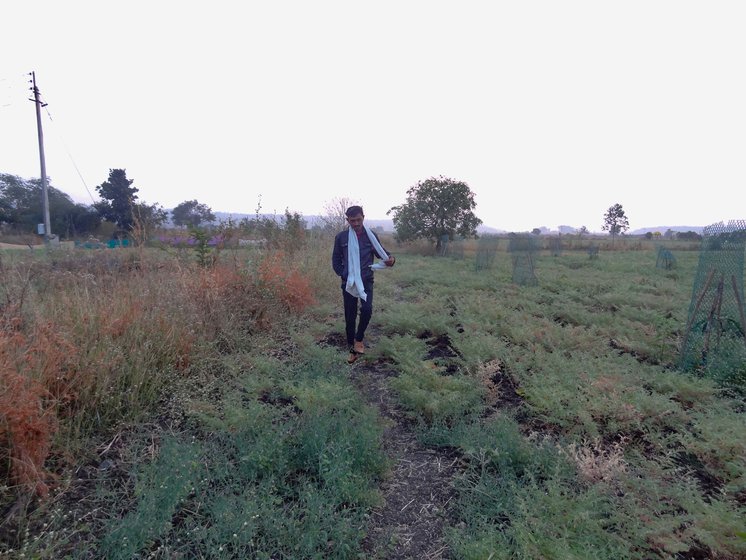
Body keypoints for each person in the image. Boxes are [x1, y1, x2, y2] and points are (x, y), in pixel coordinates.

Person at [332, 205, 396, 363]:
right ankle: (351, 349)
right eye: (352, 221)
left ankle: (359, 339)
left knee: (367, 310)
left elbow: (382, 253)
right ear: (347, 220)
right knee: (350, 316)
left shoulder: (370, 236)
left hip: (366, 280)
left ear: (363, 218)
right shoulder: (341, 237)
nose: (356, 223)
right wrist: (344, 274)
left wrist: (391, 260)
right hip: (349, 283)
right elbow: (336, 260)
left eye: (358, 220)